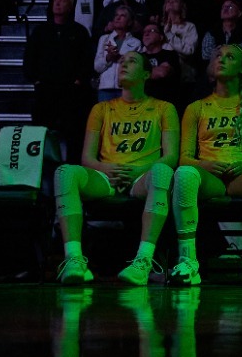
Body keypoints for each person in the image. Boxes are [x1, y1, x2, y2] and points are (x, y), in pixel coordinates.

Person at [53, 50, 178, 286]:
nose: (123, 65)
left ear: (146, 73)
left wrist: (139, 169)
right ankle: (74, 260)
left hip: (142, 177)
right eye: (121, 61)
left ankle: (143, 261)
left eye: (131, 61)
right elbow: (87, 158)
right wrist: (106, 168)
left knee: (163, 172)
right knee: (65, 172)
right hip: (106, 176)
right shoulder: (101, 109)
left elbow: (171, 156)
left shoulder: (164, 108)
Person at [169, 45, 242, 286]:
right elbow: (184, 157)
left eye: (230, 56)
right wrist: (204, 165)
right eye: (218, 56)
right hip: (211, 177)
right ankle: (188, 262)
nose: (221, 59)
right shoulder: (196, 107)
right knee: (184, 174)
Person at [29, 0, 95, 149]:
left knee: (73, 133)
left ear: (71, 6)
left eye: (62, 0)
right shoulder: (40, 31)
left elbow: (86, 59)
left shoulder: (79, 31)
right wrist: (36, 79)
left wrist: (79, 81)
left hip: (71, 91)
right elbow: (30, 57)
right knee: (41, 132)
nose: (57, 4)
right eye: (55, 1)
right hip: (45, 89)